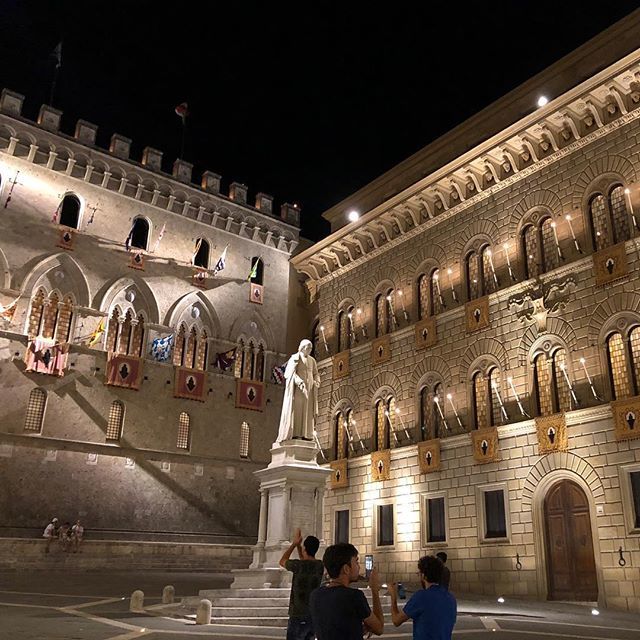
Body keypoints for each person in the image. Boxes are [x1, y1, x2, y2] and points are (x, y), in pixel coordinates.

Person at [309, 542, 384, 639]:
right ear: (346, 569)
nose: (359, 567)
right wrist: (374, 590)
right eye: (356, 562)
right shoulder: (354, 596)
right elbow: (379, 628)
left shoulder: (315, 595)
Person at [389, 555, 456, 640]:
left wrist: (393, 596)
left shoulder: (421, 597)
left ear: (424, 576)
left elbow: (396, 620)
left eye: (419, 573)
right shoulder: (451, 598)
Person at [279, 527, 324, 640]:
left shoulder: (298, 566)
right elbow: (304, 560)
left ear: (305, 549)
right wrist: (300, 547)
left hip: (297, 614)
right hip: (312, 614)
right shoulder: (320, 566)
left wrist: (294, 544)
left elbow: (282, 560)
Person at [276, 339, 320, 443]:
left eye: (310, 349)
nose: (309, 350)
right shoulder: (295, 358)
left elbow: (316, 373)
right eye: (308, 348)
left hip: (309, 390)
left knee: (308, 412)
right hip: (298, 390)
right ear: (302, 348)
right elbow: (290, 373)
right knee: (298, 411)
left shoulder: (312, 360)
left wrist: (317, 381)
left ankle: (307, 434)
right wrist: (299, 381)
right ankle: (296, 434)